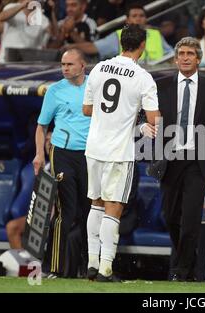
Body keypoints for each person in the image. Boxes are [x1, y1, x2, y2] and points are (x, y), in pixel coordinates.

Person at [143, 37, 205, 281]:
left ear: (198, 59)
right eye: (181, 53)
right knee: (170, 217)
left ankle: (182, 272)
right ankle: (188, 265)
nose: (185, 57)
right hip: (169, 160)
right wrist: (144, 128)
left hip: (198, 160)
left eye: (190, 54)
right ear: (175, 58)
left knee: (191, 217)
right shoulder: (159, 86)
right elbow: (143, 116)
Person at [83, 24, 160, 282]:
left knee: (96, 204)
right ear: (142, 46)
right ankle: (106, 268)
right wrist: (138, 122)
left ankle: (92, 263)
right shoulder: (142, 77)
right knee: (113, 208)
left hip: (93, 147)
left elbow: (86, 109)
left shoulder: (97, 69)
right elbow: (153, 119)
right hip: (119, 151)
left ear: (120, 43)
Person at [33, 48, 91, 278]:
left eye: (70, 64)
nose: (65, 68)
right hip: (62, 153)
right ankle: (55, 268)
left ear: (82, 65)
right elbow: (41, 126)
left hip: (89, 155)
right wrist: (39, 154)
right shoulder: (54, 91)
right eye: (63, 64)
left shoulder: (95, 88)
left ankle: (89, 268)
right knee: (65, 211)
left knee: (88, 212)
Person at [66, 4, 173, 63]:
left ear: (146, 19)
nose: (138, 19)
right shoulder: (119, 35)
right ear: (127, 20)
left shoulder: (155, 34)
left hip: (158, 74)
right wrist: (71, 46)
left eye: (141, 16)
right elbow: (93, 47)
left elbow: (171, 55)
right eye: (134, 16)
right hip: (130, 76)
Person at [6, 131, 52, 250]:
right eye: (46, 141)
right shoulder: (44, 169)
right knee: (12, 227)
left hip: (63, 218)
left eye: (52, 140)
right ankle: (25, 266)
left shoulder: (68, 168)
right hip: (42, 217)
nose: (49, 144)